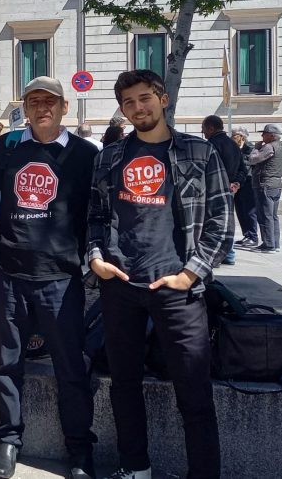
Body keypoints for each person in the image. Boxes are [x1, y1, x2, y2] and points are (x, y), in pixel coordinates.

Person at [88, 69, 230, 479]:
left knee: (194, 392)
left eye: (145, 98)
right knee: (124, 385)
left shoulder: (198, 152)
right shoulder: (111, 156)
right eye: (129, 102)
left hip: (177, 288)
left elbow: (221, 221)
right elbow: (96, 215)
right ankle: (135, 468)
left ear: (163, 99)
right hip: (121, 284)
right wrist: (97, 257)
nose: (138, 107)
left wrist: (190, 274)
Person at [0, 76, 99, 479]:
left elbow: (93, 215)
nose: (41, 107)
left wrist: (87, 262)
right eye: (33, 101)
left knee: (70, 366)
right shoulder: (8, 147)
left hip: (60, 279)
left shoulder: (86, 155)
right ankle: (9, 440)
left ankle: (80, 449)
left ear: (65, 107)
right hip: (9, 274)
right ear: (25, 108)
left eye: (50, 101)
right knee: (7, 363)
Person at [201, 115, 244, 266]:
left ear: (211, 128)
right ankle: (229, 253)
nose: (203, 133)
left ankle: (217, 255)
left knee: (212, 221)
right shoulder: (233, 145)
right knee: (226, 220)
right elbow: (243, 168)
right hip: (230, 188)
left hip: (213, 189)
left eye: (204, 130)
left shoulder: (210, 145)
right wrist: (236, 182)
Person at [245, 123, 282, 252]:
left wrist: (256, 148)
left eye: (264, 133)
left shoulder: (269, 147)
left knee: (265, 215)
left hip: (265, 185)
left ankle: (268, 245)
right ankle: (274, 243)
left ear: (271, 136)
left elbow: (253, 159)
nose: (262, 136)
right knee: (273, 216)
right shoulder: (280, 146)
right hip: (275, 185)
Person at [231, 128, 259, 248]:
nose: (233, 138)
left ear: (242, 137)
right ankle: (246, 235)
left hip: (247, 183)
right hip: (238, 183)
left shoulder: (250, 149)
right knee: (240, 210)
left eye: (235, 136)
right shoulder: (236, 148)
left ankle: (253, 236)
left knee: (249, 211)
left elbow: (247, 166)